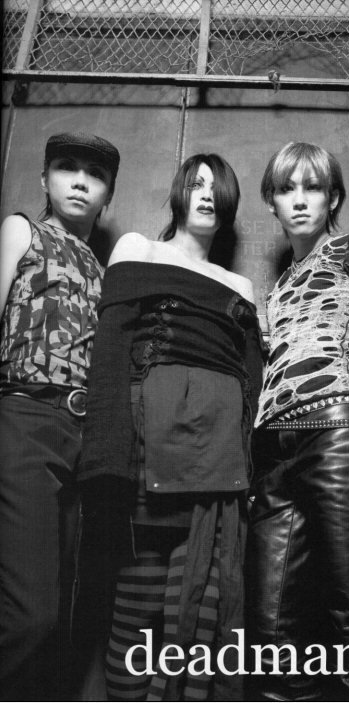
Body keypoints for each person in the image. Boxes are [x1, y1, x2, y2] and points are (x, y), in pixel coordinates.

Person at [78, 153, 263, 701]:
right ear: (179, 192)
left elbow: (251, 386)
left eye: (216, 186)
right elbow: (110, 356)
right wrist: (106, 461)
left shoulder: (241, 285)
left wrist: (251, 470)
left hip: (219, 466)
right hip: (144, 450)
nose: (206, 194)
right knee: (135, 616)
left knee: (202, 619)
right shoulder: (138, 249)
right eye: (196, 183)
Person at [247, 141, 349, 701]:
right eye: (286, 188)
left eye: (312, 187)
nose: (299, 200)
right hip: (273, 453)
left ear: (332, 197)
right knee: (270, 635)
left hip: (339, 433)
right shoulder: (277, 289)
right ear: (271, 201)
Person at [0, 131, 120, 701]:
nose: (79, 182)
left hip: (82, 438)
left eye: (94, 175)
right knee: (30, 615)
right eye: (67, 168)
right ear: (45, 179)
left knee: (65, 619)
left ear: (108, 195)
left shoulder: (104, 269)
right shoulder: (22, 230)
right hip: (24, 418)